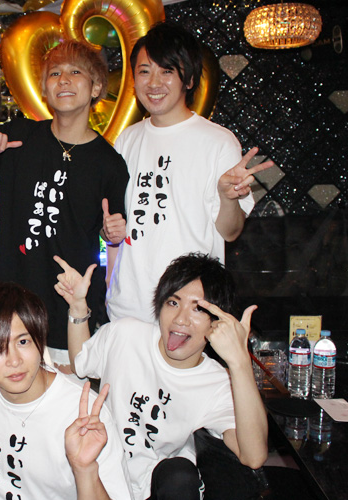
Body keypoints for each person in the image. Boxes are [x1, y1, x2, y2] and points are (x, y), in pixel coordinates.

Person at [55, 252, 268, 500]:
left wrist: (240, 363)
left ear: (217, 321)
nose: (180, 319)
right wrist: (77, 306)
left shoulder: (215, 382)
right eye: (173, 303)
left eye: (198, 308)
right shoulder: (126, 335)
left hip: (157, 487)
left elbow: (253, 456)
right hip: (101, 477)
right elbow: (81, 362)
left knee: (179, 475)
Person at [106, 21, 273, 323]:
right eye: (144, 71)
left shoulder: (218, 141)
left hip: (188, 314)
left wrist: (228, 197)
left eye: (167, 71)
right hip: (127, 310)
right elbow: (117, 225)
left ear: (190, 79)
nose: (153, 83)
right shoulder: (127, 139)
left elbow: (231, 231)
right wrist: (109, 231)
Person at [0, 40, 130, 368]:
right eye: (54, 73)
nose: (63, 80)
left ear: (96, 88)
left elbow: (112, 232)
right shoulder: (19, 136)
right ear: (44, 89)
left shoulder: (109, 164)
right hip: (13, 311)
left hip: (71, 312)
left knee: (73, 395)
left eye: (75, 72)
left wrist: (113, 233)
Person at [0, 281, 134, 499]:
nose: (14, 360)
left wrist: (85, 469)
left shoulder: (84, 415)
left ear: (40, 338)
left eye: (23, 341)